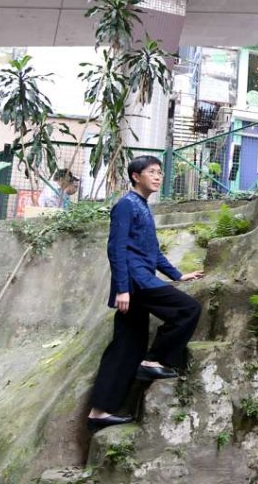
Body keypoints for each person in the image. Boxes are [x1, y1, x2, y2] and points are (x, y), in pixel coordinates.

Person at [86, 155, 204, 432]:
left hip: (141, 277)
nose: (158, 176)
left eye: (160, 172)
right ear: (136, 176)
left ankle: (98, 413)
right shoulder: (126, 205)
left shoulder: (142, 206)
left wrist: (177, 275)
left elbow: (150, 251)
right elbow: (116, 249)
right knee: (188, 309)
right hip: (136, 282)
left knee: (125, 348)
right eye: (152, 171)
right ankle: (154, 360)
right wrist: (123, 289)